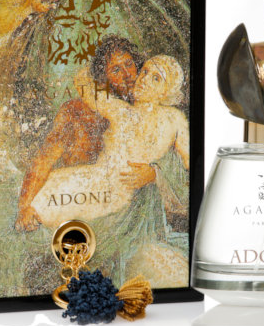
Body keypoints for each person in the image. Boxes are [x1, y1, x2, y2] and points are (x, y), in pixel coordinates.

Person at [15, 35, 157, 232]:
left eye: (129, 64)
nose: (127, 74)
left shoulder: (151, 107)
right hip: (83, 208)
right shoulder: (77, 112)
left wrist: (154, 173)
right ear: (103, 78)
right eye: (116, 70)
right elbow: (43, 161)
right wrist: (24, 207)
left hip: (133, 209)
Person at [31, 55, 189, 226]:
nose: (144, 79)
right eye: (144, 71)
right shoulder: (121, 110)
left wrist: (155, 173)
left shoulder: (174, 119)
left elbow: (189, 167)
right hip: (97, 183)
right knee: (47, 192)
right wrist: (97, 65)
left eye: (156, 78)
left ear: (166, 91)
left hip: (124, 197)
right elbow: (84, 86)